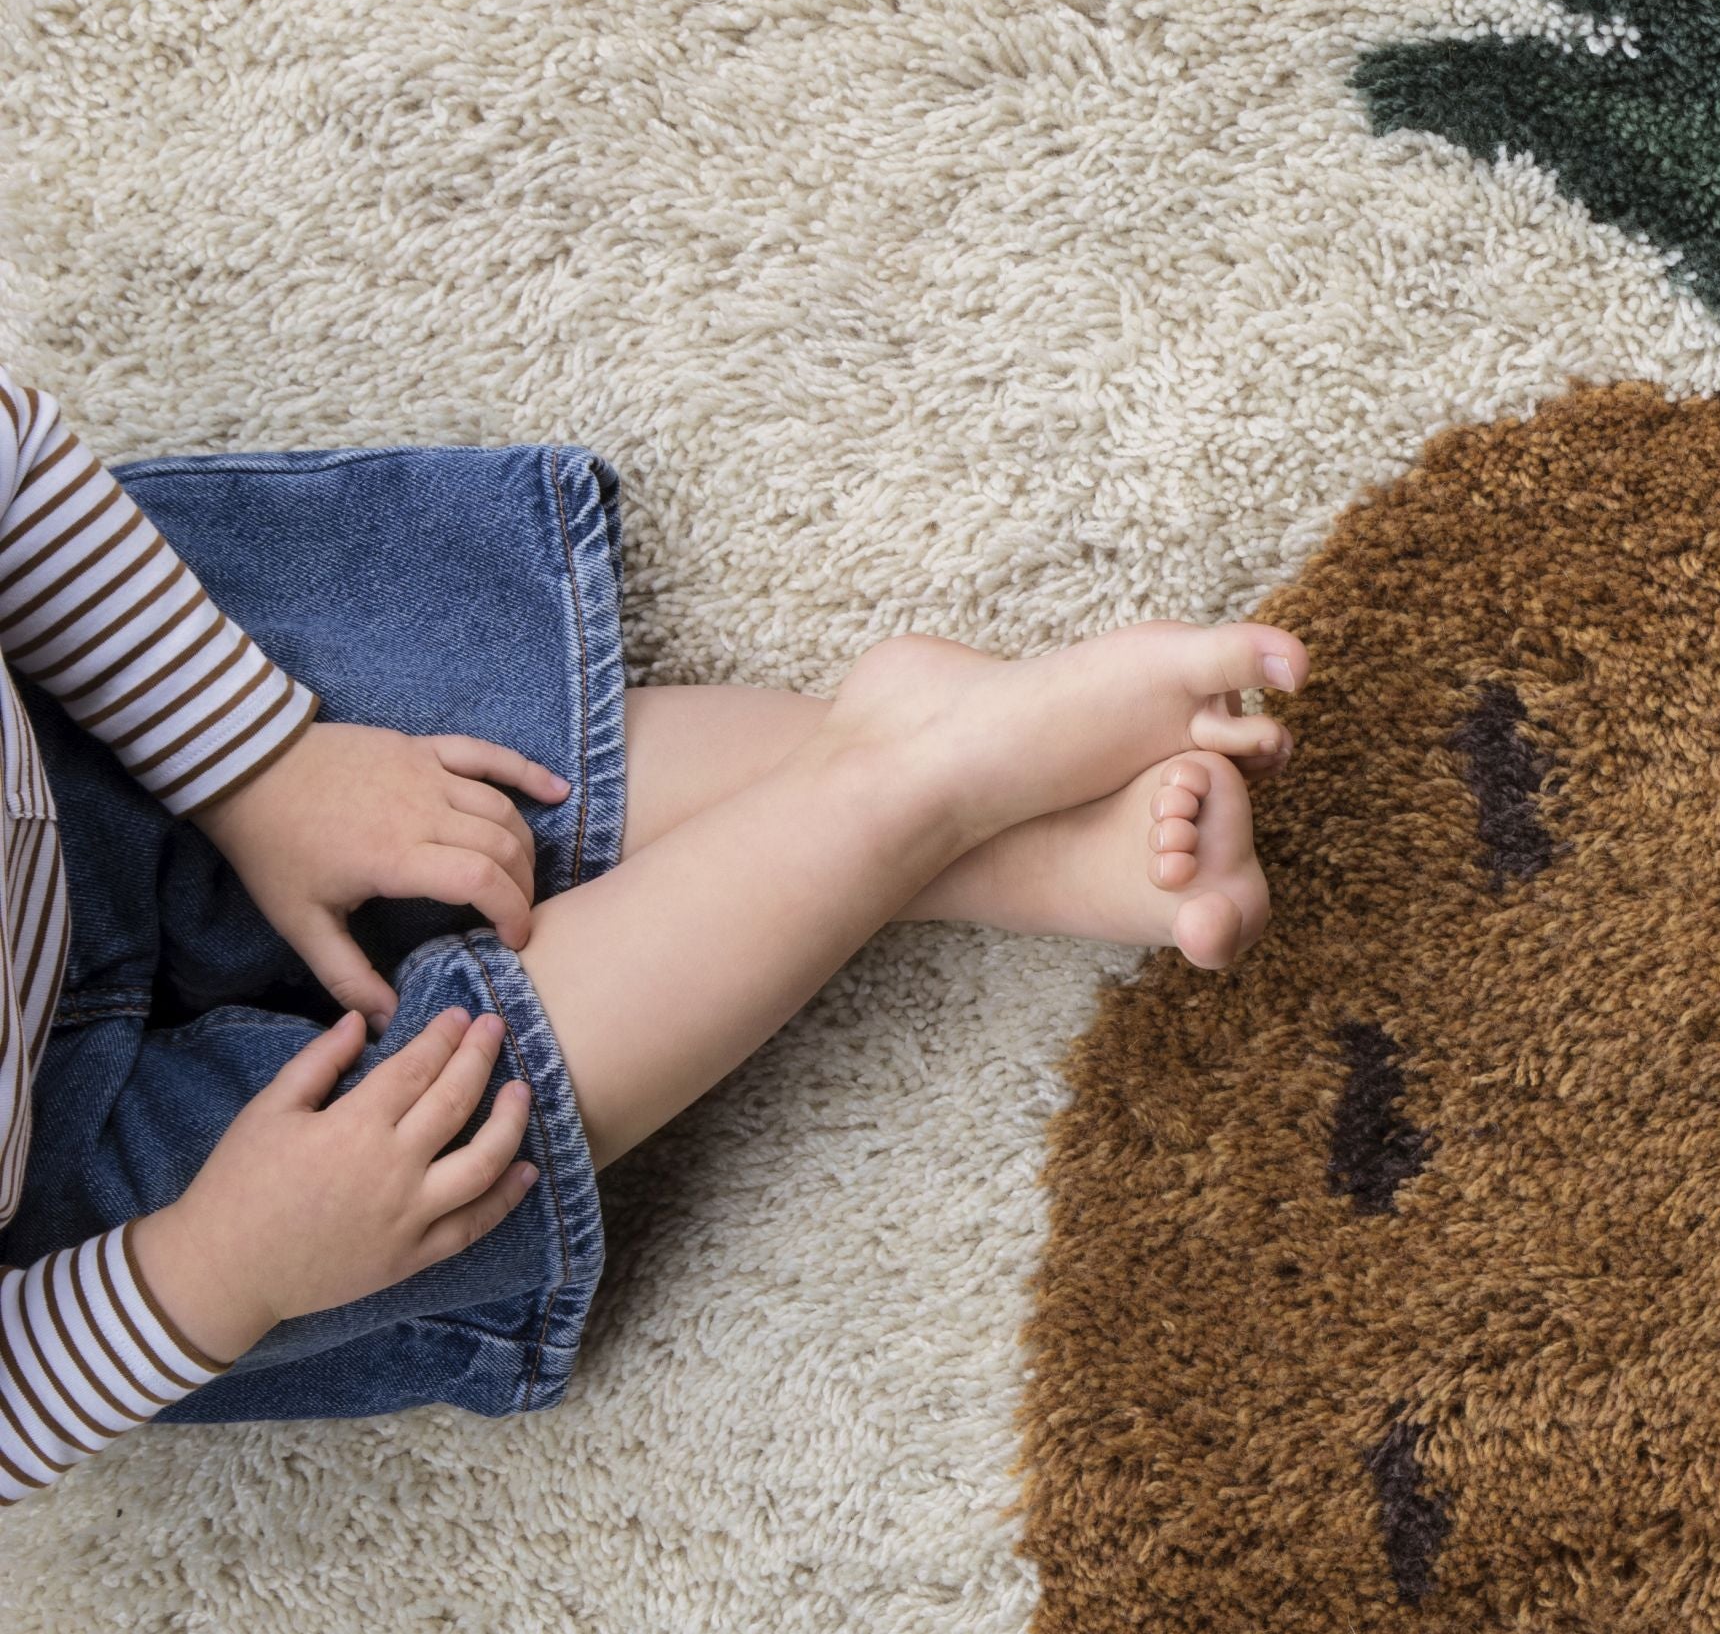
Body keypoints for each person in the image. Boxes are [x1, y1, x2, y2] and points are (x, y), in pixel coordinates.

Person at [0, 375, 1302, 1499]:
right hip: (87, 1232)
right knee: (435, 1142)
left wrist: (257, 763)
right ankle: (924, 795)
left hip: (89, 741)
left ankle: (949, 802)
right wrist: (218, 1265)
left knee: (426, 783)